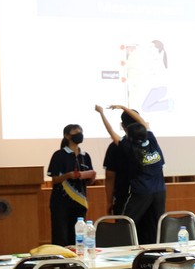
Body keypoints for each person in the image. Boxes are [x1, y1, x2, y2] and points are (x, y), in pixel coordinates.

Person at [96, 104, 165, 245]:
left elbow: (111, 132)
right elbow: (142, 121)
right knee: (155, 227)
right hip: (160, 192)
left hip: (141, 192)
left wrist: (101, 113)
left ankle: (119, 251)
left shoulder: (129, 148)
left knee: (125, 223)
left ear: (128, 134)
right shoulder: (152, 141)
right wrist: (123, 107)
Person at [47, 123, 96, 247]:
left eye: (81, 132)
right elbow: (54, 179)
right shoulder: (59, 155)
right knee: (61, 236)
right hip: (61, 202)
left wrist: (90, 176)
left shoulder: (85, 156)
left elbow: (89, 182)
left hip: (80, 201)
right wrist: (68, 175)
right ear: (67, 136)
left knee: (78, 237)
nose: (79, 134)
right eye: (76, 132)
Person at [101, 108, 135, 216]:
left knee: (124, 225)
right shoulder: (150, 143)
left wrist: (109, 201)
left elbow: (110, 176)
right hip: (148, 194)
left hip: (123, 195)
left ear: (123, 126)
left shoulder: (115, 146)